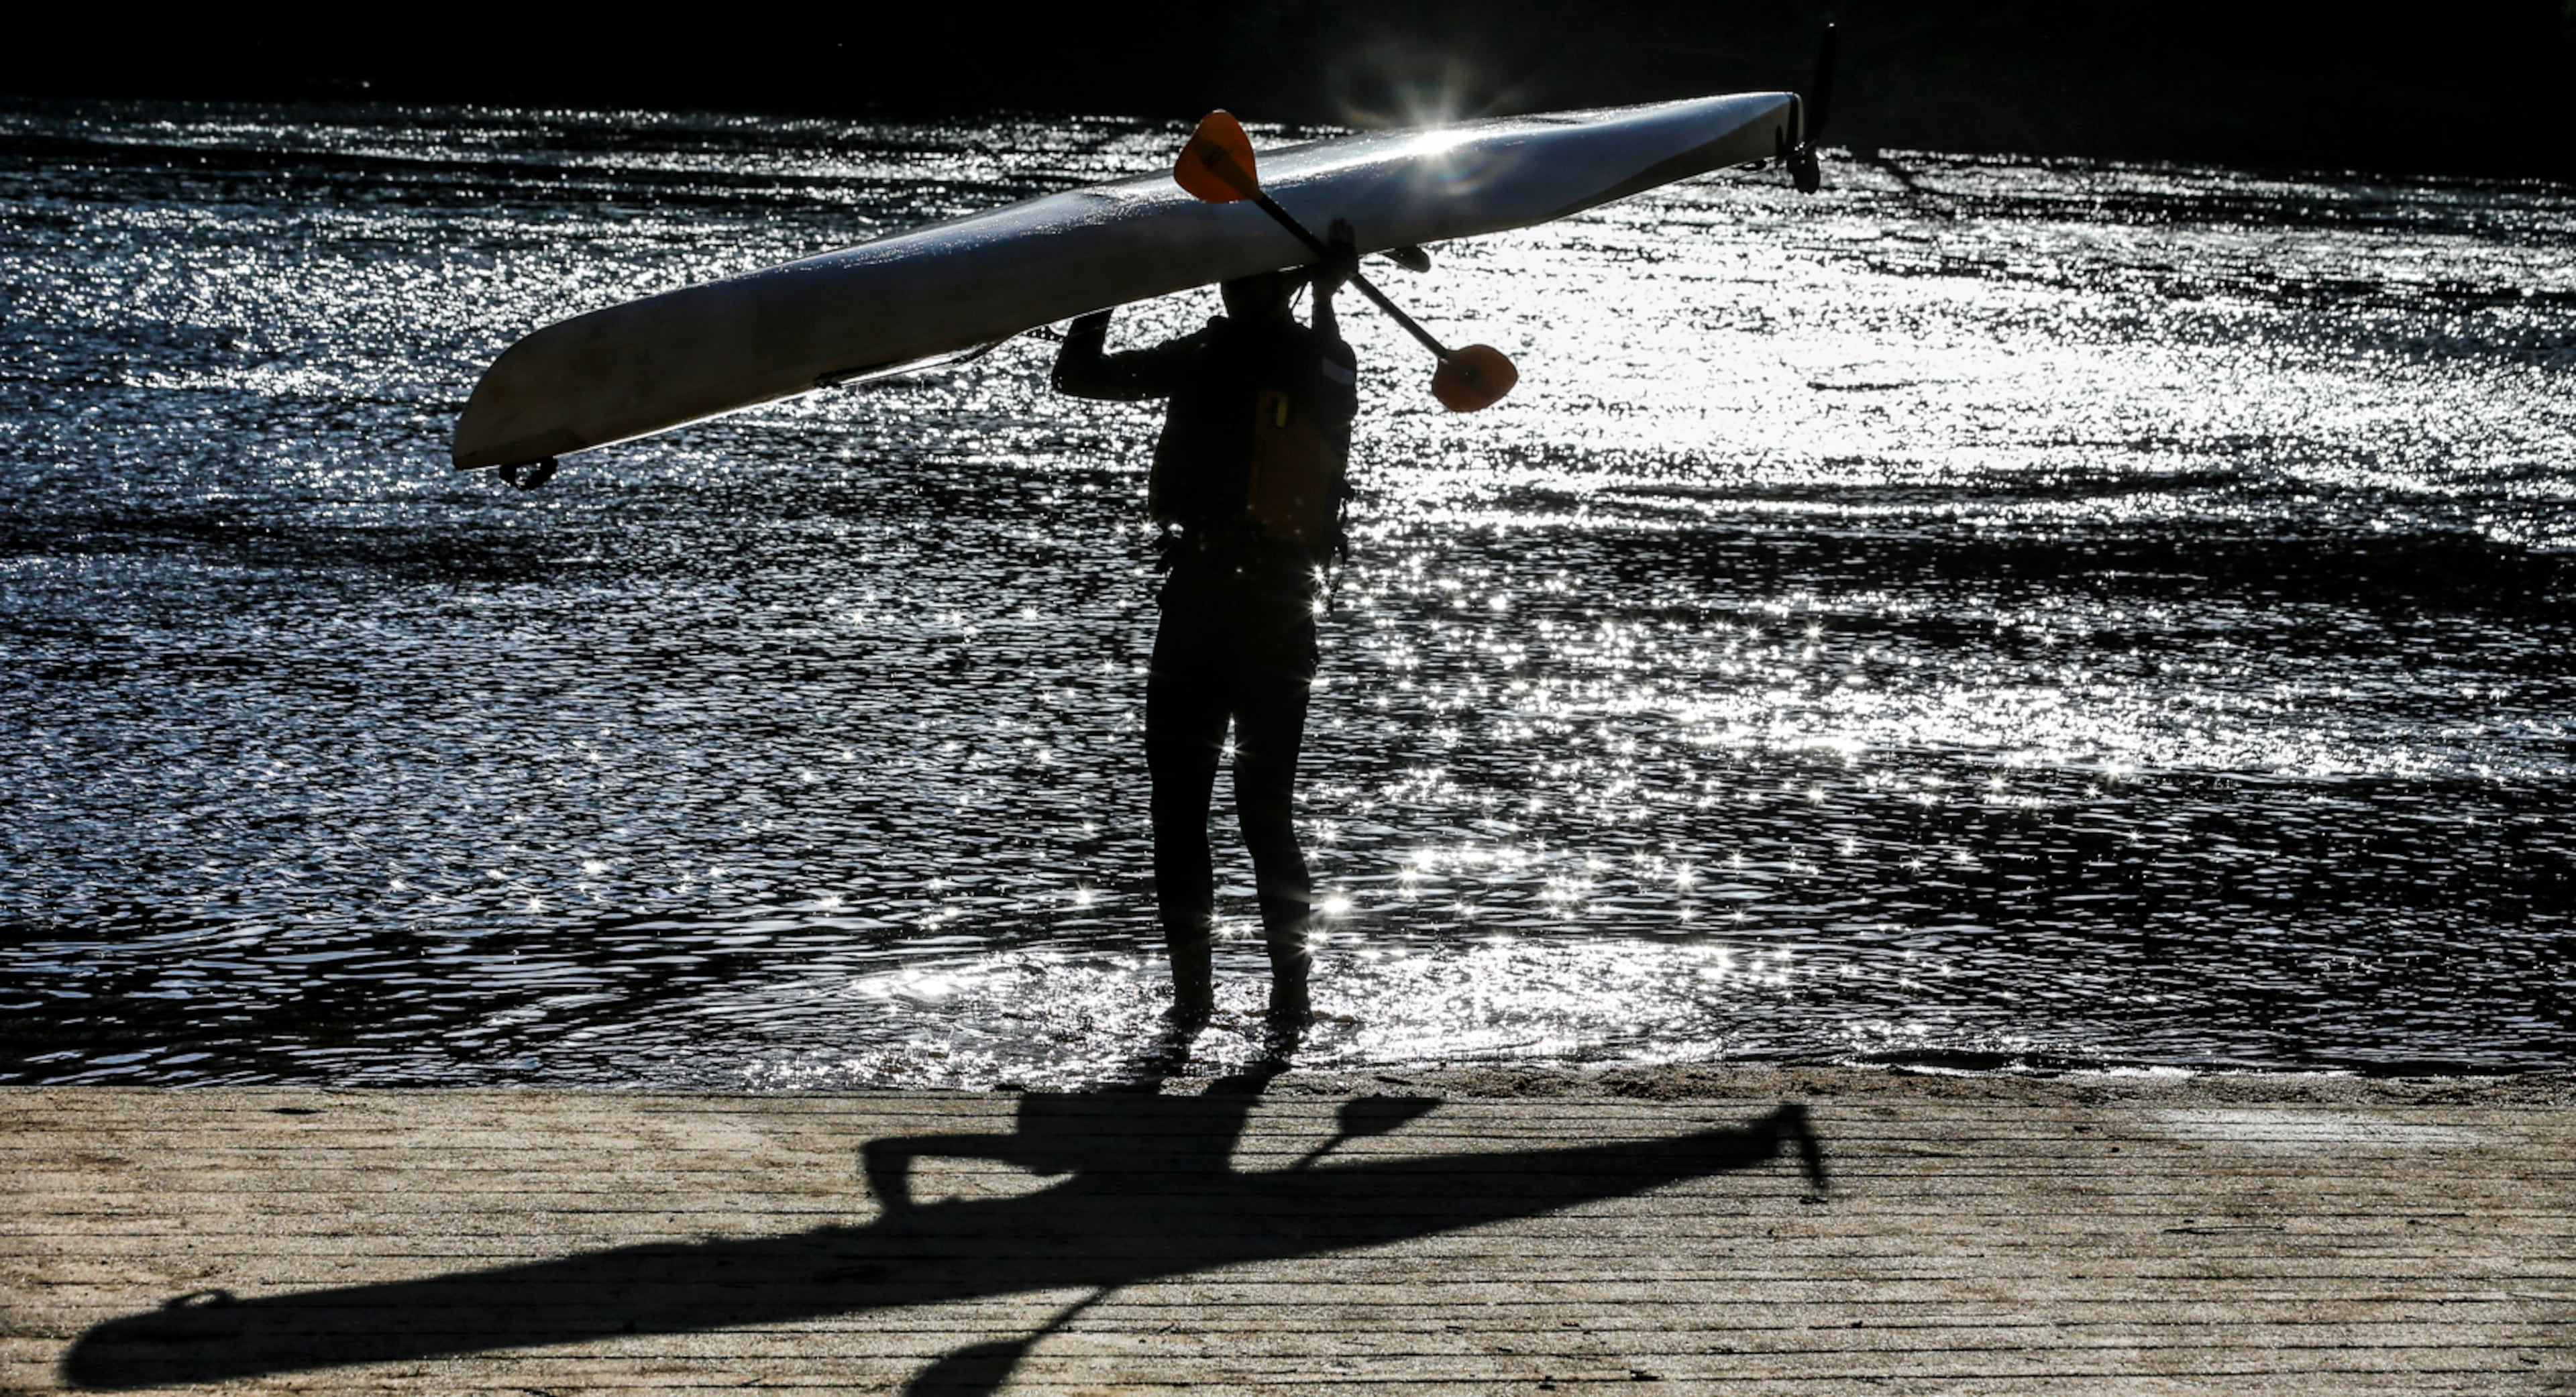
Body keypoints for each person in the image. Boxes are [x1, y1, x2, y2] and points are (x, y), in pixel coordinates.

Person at [1052, 225, 1362, 1026]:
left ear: (1277, 286)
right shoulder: (1288, 355)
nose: (1233, 290)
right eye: (1228, 278)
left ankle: (1280, 997)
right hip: (1225, 611)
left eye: (1248, 280)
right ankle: (1203, 1002)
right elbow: (1077, 377)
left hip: (1252, 615)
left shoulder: (1257, 357)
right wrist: (1328, 293)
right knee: (1186, 809)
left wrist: (1102, 288)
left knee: (1253, 815)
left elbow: (1077, 372)